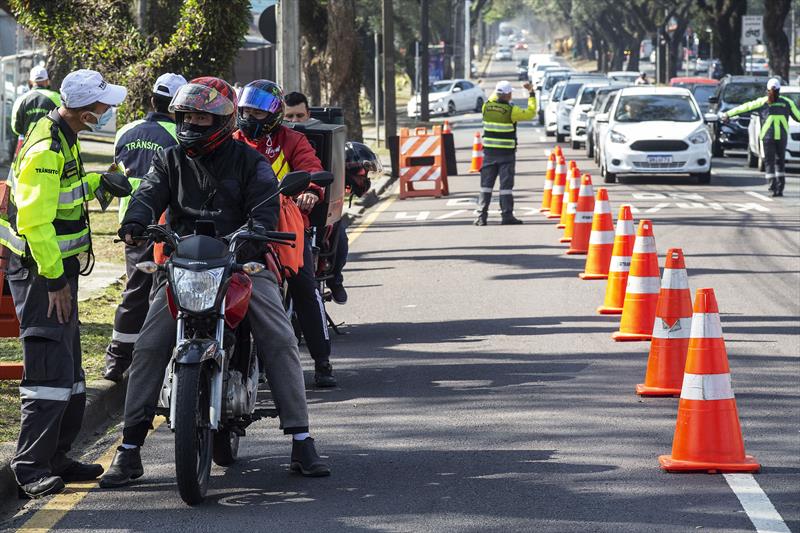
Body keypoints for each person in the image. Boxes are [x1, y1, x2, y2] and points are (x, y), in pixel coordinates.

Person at [99, 77, 330, 488]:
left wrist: (258, 231)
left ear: (223, 120)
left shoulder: (249, 161)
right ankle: (130, 449)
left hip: (243, 263)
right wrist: (135, 221)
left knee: (278, 336)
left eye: (202, 117)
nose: (193, 123)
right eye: (187, 116)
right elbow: (148, 194)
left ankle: (301, 438)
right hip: (185, 265)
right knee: (149, 344)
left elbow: (264, 205)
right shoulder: (169, 159)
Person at [0, 69, 128, 498]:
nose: (109, 110)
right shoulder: (46, 147)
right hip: (41, 272)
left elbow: (64, 195)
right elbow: (36, 223)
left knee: (70, 371)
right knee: (48, 371)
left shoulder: (62, 135)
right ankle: (30, 465)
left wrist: (98, 182)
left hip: (56, 269)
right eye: (103, 105)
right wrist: (55, 280)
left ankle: (57, 456)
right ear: (85, 111)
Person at [232, 80, 336, 388]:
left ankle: (322, 359)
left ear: (274, 116)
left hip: (286, 228)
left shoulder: (292, 140)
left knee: (304, 285)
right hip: (242, 227)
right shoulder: (231, 140)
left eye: (258, 113)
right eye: (246, 111)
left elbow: (312, 170)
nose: (250, 118)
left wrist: (311, 192)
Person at [102, 72, 187, 382]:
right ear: (179, 106)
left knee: (135, 291)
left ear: (152, 100)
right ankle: (160, 363)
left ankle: (117, 358)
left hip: (133, 225)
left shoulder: (125, 130)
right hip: (169, 226)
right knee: (168, 294)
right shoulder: (181, 136)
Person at [722, 77, 800, 197]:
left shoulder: (762, 102)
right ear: (779, 90)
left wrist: (728, 114)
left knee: (769, 162)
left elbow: (745, 107)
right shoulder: (787, 102)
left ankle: (772, 187)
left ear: (767, 90)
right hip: (782, 137)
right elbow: (798, 117)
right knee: (780, 162)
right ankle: (780, 189)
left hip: (767, 137)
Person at [475, 80, 536, 226]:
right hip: (506, 155)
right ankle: (507, 216)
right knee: (506, 188)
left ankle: (481, 217)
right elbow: (531, 113)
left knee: (486, 186)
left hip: (489, 154)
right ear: (508, 94)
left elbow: (492, 98)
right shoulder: (511, 110)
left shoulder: (486, 107)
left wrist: (497, 92)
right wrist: (531, 93)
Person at [10, 66, 61, 157]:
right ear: (47, 81)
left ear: (30, 82)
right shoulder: (57, 97)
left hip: (27, 148)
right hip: (51, 148)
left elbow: (16, 128)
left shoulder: (21, 99)